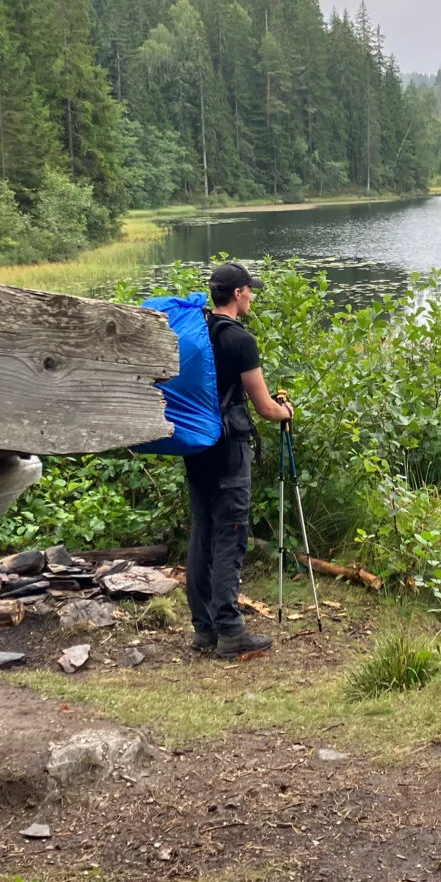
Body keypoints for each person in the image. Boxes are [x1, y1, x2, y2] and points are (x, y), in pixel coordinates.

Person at [185, 261, 292, 657]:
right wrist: (286, 412)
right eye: (249, 290)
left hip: (196, 446)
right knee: (230, 534)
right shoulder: (239, 340)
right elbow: (264, 407)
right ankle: (230, 632)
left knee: (202, 533)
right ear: (236, 294)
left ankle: (204, 629)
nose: (252, 296)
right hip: (229, 450)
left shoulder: (197, 331)